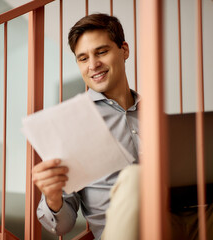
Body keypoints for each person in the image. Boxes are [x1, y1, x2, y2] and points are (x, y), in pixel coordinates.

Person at [32, 13, 140, 239]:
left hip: (177, 222)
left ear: (124, 50)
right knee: (135, 177)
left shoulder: (156, 116)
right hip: (123, 232)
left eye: (101, 52)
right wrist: (52, 196)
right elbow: (62, 226)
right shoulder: (72, 125)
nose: (93, 65)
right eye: (83, 58)